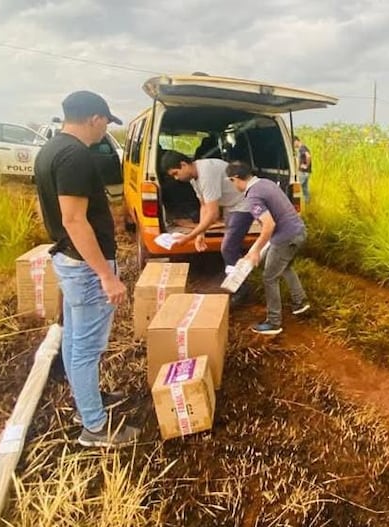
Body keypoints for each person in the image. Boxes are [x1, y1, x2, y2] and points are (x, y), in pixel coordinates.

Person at [34, 90, 139, 448]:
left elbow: (55, 213)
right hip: (85, 265)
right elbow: (75, 220)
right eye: (106, 123)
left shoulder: (50, 150)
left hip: (70, 259)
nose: (104, 130)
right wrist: (107, 276)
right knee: (86, 348)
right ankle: (95, 427)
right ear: (95, 118)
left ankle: (87, 404)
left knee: (76, 339)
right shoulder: (76, 156)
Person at [226, 161, 310, 335]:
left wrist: (255, 250)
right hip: (299, 232)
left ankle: (274, 322)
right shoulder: (266, 183)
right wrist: (255, 250)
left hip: (285, 237)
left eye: (231, 182)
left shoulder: (252, 196)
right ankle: (300, 302)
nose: (233, 186)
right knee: (285, 266)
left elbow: (269, 225)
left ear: (235, 178)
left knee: (269, 277)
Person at [160, 151, 253, 305]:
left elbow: (213, 214)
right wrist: (200, 234)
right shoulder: (194, 178)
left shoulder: (206, 173)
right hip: (232, 206)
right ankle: (235, 281)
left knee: (228, 248)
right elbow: (204, 206)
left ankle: (241, 290)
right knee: (231, 247)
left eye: (176, 173)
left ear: (183, 165)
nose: (176, 178)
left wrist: (188, 237)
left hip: (244, 204)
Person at [293, 136, 312, 203]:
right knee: (305, 190)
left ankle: (295, 205)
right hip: (307, 172)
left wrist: (306, 165)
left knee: (295, 189)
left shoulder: (302, 148)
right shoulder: (304, 147)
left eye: (293, 143)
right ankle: (308, 204)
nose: (294, 146)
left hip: (303, 172)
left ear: (296, 141)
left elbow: (308, 156)